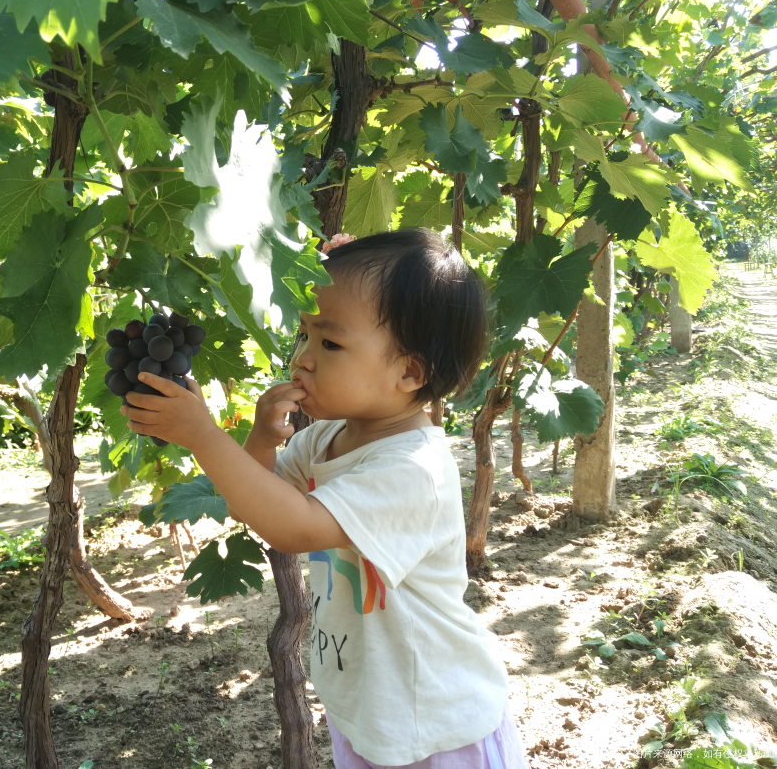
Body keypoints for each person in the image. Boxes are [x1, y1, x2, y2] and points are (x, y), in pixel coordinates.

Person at [120, 228, 529, 769]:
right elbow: (255, 502)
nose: (304, 359)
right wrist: (260, 441)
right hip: (369, 710)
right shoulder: (323, 440)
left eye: (330, 343)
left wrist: (204, 436)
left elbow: (296, 527)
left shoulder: (413, 470)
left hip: (437, 724)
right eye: (304, 336)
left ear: (410, 372)